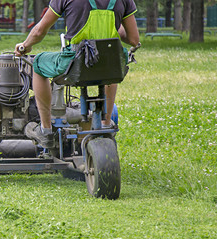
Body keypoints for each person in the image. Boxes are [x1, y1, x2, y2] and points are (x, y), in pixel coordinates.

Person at [14, 0, 140, 148]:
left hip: (75, 63)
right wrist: (114, 27)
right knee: (111, 64)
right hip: (109, 63)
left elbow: (40, 31)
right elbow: (134, 39)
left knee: (38, 64)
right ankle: (106, 125)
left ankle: (46, 130)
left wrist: (24, 46)